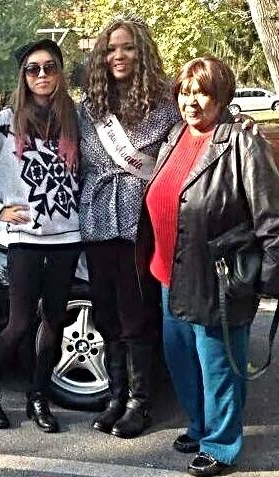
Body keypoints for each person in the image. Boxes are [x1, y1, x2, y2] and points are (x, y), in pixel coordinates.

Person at [137, 56, 279, 477]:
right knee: (182, 362)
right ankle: (198, 426)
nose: (191, 102)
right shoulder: (175, 135)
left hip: (218, 280)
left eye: (202, 93)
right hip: (168, 275)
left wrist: (270, 278)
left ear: (222, 97)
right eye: (185, 92)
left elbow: (276, 214)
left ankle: (222, 444)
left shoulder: (241, 142)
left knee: (219, 368)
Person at [0, 39, 80, 433]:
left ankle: (38, 398)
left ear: (60, 72)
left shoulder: (75, 120)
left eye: (50, 67)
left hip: (68, 236)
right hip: (26, 239)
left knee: (56, 321)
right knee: (20, 322)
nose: (42, 75)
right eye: (33, 69)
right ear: (23, 76)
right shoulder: (5, 122)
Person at [78, 15, 181, 440]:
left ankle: (141, 401)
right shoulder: (89, 110)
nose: (118, 56)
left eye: (128, 48)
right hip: (98, 221)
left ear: (143, 53)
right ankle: (116, 396)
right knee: (105, 312)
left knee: (137, 314)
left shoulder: (167, 104)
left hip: (142, 224)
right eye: (110, 49)